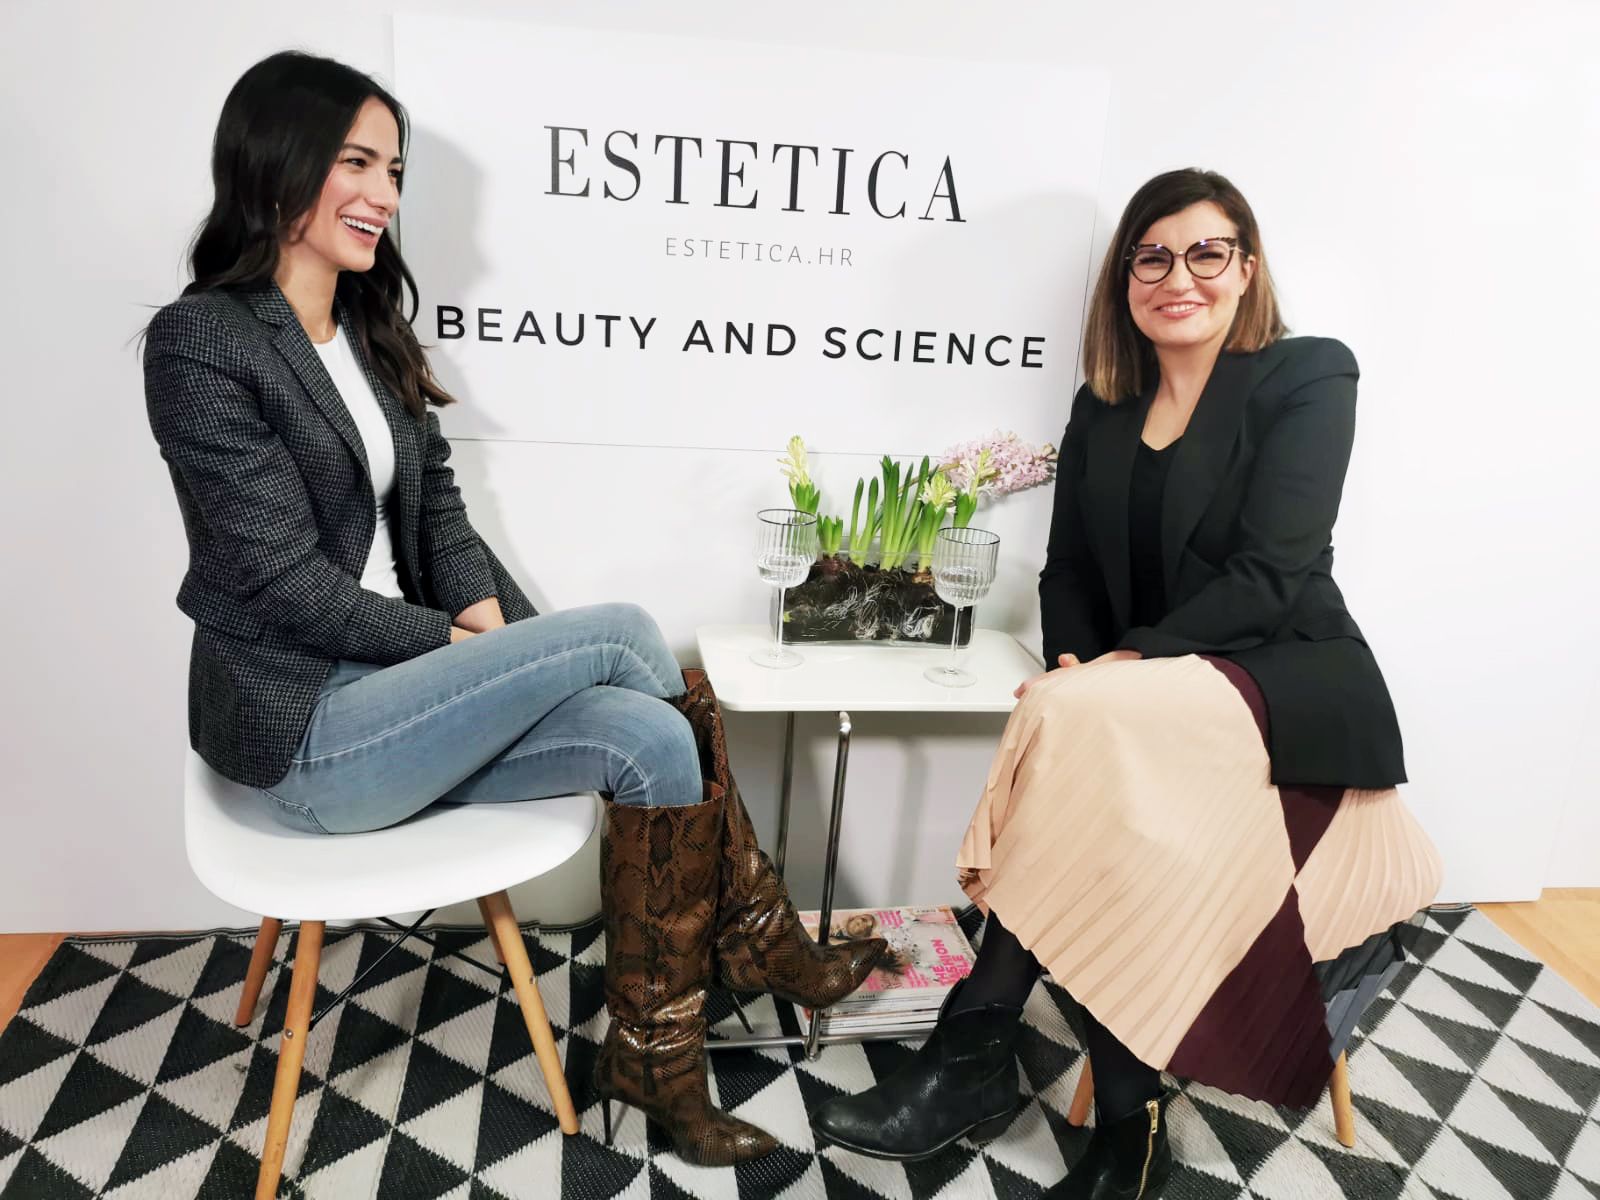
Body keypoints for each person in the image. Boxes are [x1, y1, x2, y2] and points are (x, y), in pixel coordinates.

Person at [141, 50, 885, 1168]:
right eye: (357, 162)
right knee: (626, 633)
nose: (385, 195)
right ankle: (757, 929)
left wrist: (492, 646)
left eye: (394, 170)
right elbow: (278, 585)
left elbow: (440, 516)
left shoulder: (368, 332)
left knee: (650, 737)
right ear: (274, 162)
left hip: (411, 699)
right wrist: (465, 647)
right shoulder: (203, 341)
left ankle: (656, 1060)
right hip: (314, 733)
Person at [808, 168, 1441, 1197]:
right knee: (1092, 765)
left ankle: (973, 1052)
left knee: (1082, 728)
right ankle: (1125, 1122)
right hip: (1141, 700)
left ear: (1246, 269)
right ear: (1125, 280)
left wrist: (1120, 669)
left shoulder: (1308, 375)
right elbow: (1067, 570)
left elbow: (1273, 572)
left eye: (1205, 252)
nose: (1177, 276)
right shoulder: (1101, 407)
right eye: (1152, 256)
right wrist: (1077, 663)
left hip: (1285, 677)